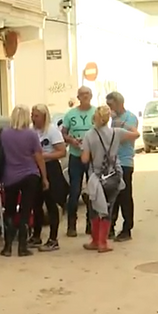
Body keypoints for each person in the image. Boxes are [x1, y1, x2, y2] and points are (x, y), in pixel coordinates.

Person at [0, 105, 48, 257]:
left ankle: (7, 247)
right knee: (26, 211)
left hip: (10, 176)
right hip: (29, 175)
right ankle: (22, 247)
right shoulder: (31, 134)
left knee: (10, 211)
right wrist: (44, 177)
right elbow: (39, 157)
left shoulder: (4, 134)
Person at [81, 105, 124, 253]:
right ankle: (103, 243)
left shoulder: (89, 135)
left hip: (96, 176)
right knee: (108, 208)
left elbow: (85, 159)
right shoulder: (116, 133)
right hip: (112, 175)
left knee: (94, 208)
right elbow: (135, 135)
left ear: (95, 117)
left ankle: (95, 240)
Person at [30, 103, 68, 252]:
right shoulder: (31, 131)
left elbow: (62, 152)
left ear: (44, 116)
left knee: (51, 204)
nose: (33, 119)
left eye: (36, 116)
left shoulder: (52, 131)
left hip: (51, 168)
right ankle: (36, 236)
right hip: (35, 170)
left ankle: (53, 239)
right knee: (36, 204)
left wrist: (44, 156)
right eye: (32, 115)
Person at [61, 86, 95, 237]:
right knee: (74, 191)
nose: (85, 96)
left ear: (91, 96)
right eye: (82, 94)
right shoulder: (70, 114)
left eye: (87, 94)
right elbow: (63, 133)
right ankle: (71, 226)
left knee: (92, 192)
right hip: (75, 156)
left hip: (93, 156)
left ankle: (90, 225)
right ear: (78, 97)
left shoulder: (96, 113)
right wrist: (71, 140)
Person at [107, 92, 140, 242]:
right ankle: (111, 226)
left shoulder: (129, 117)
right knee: (113, 196)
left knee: (125, 195)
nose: (109, 108)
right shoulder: (112, 120)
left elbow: (134, 134)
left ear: (119, 103)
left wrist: (121, 128)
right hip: (113, 161)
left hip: (125, 161)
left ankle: (127, 228)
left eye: (111, 105)